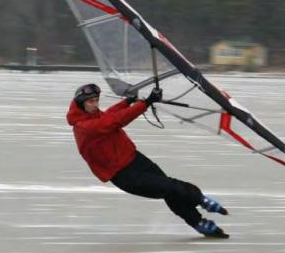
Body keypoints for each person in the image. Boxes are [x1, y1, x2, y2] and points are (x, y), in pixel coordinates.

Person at [66, 83, 229, 238]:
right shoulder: (85, 127)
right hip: (124, 175)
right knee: (169, 187)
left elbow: (109, 114)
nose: (94, 104)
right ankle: (202, 200)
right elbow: (116, 120)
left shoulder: (94, 116)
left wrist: (128, 101)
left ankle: (198, 223)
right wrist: (147, 102)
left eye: (96, 100)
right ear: (81, 104)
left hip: (135, 159)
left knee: (170, 190)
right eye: (90, 102)